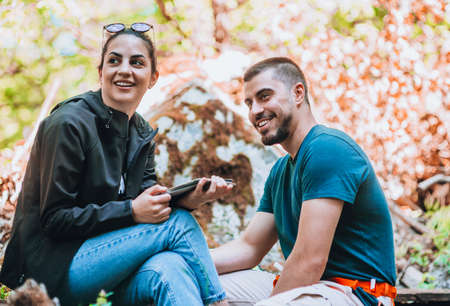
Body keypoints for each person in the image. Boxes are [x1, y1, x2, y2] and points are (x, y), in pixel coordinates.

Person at [0, 22, 233, 306]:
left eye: (137, 63)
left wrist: (189, 199)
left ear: (153, 77)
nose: (124, 70)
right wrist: (131, 211)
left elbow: (147, 203)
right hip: (51, 270)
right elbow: (55, 220)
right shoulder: (68, 124)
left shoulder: (141, 132)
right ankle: (220, 303)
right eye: (114, 61)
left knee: (170, 267)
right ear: (101, 73)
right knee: (178, 225)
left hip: (107, 266)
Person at [210, 57, 397, 306]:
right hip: (310, 290)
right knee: (199, 284)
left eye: (264, 96)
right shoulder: (280, 171)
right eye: (249, 103)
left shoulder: (327, 148)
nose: (254, 111)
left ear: (298, 93)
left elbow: (309, 262)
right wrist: (185, 261)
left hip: (357, 295)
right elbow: (249, 248)